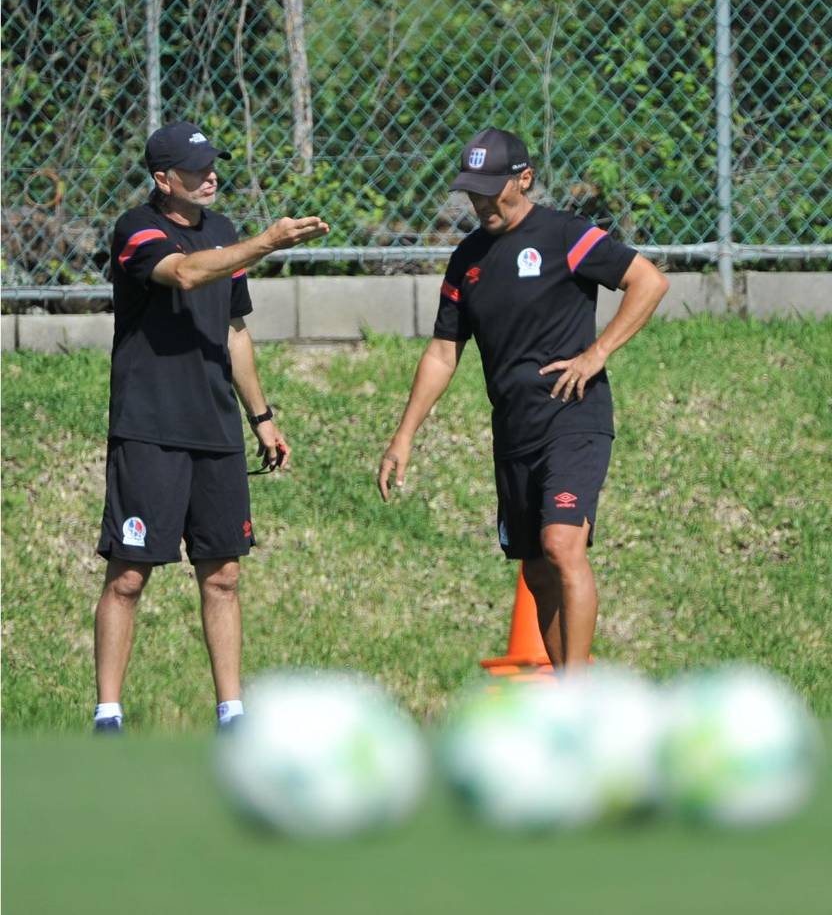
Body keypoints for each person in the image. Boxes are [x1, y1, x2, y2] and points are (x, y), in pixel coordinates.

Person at [378, 127, 668, 669]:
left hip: (573, 417)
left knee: (562, 545)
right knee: (535, 569)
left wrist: (597, 353)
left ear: (524, 179)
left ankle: (579, 699)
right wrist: (404, 436)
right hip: (513, 430)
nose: (480, 199)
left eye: (491, 187)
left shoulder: (564, 234)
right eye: (472, 189)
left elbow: (647, 281)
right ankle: (563, 694)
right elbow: (444, 352)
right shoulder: (467, 258)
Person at [94, 121, 329, 732]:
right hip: (150, 427)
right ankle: (108, 714)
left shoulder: (223, 233)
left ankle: (231, 713)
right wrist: (269, 240)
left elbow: (234, 329)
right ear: (163, 179)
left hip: (216, 430)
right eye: (195, 169)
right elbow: (188, 273)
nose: (210, 175)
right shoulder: (137, 229)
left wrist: (263, 418)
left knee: (223, 574)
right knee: (128, 575)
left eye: (212, 165)